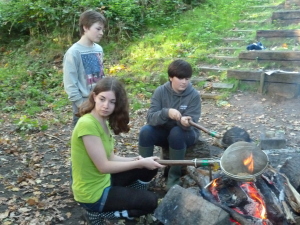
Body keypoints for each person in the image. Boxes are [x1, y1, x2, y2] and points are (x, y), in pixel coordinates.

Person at [71, 77, 164, 224]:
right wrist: (138, 163)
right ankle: (100, 214)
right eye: (102, 99)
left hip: (104, 181)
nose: (106, 105)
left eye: (112, 102)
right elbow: (103, 167)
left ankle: (129, 201)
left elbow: (111, 157)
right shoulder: (87, 124)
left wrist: (139, 160)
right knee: (151, 202)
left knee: (148, 169)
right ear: (94, 97)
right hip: (93, 194)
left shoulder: (102, 121)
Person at [138, 59, 201, 190]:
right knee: (145, 131)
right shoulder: (160, 92)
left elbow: (193, 121)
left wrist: (186, 122)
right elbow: (150, 118)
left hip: (185, 134)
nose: (184, 82)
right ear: (171, 77)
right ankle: (144, 177)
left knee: (176, 133)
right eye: (180, 78)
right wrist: (166, 113)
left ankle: (173, 178)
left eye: (187, 78)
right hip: (164, 131)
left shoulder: (194, 95)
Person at [63, 10, 106, 126]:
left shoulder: (99, 49)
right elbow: (70, 84)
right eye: (98, 29)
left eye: (102, 29)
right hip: (82, 107)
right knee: (83, 141)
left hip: (99, 104)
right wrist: (82, 105)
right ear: (85, 27)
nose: (101, 33)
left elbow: (101, 76)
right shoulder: (73, 53)